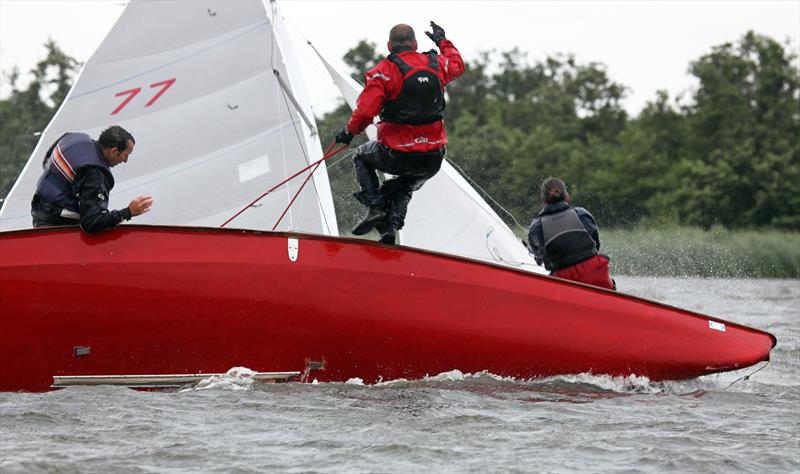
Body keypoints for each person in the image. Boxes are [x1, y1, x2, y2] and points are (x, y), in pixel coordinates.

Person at [334, 21, 465, 244]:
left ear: (389, 45)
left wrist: (348, 132)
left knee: (360, 156)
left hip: (396, 154)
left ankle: (375, 206)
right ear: (414, 43)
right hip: (432, 158)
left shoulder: (383, 72)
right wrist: (442, 40)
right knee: (402, 185)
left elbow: (366, 112)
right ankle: (390, 228)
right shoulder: (436, 64)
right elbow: (457, 64)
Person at [31, 125, 153, 234]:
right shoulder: (95, 173)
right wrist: (127, 212)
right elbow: (91, 223)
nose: (125, 161)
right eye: (125, 155)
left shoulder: (74, 137)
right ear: (114, 151)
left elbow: (46, 162)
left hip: (39, 209)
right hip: (56, 225)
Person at [527, 177, 615, 290]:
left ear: (544, 200)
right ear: (566, 196)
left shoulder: (536, 227)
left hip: (564, 280)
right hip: (594, 271)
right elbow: (596, 245)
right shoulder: (582, 214)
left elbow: (540, 258)